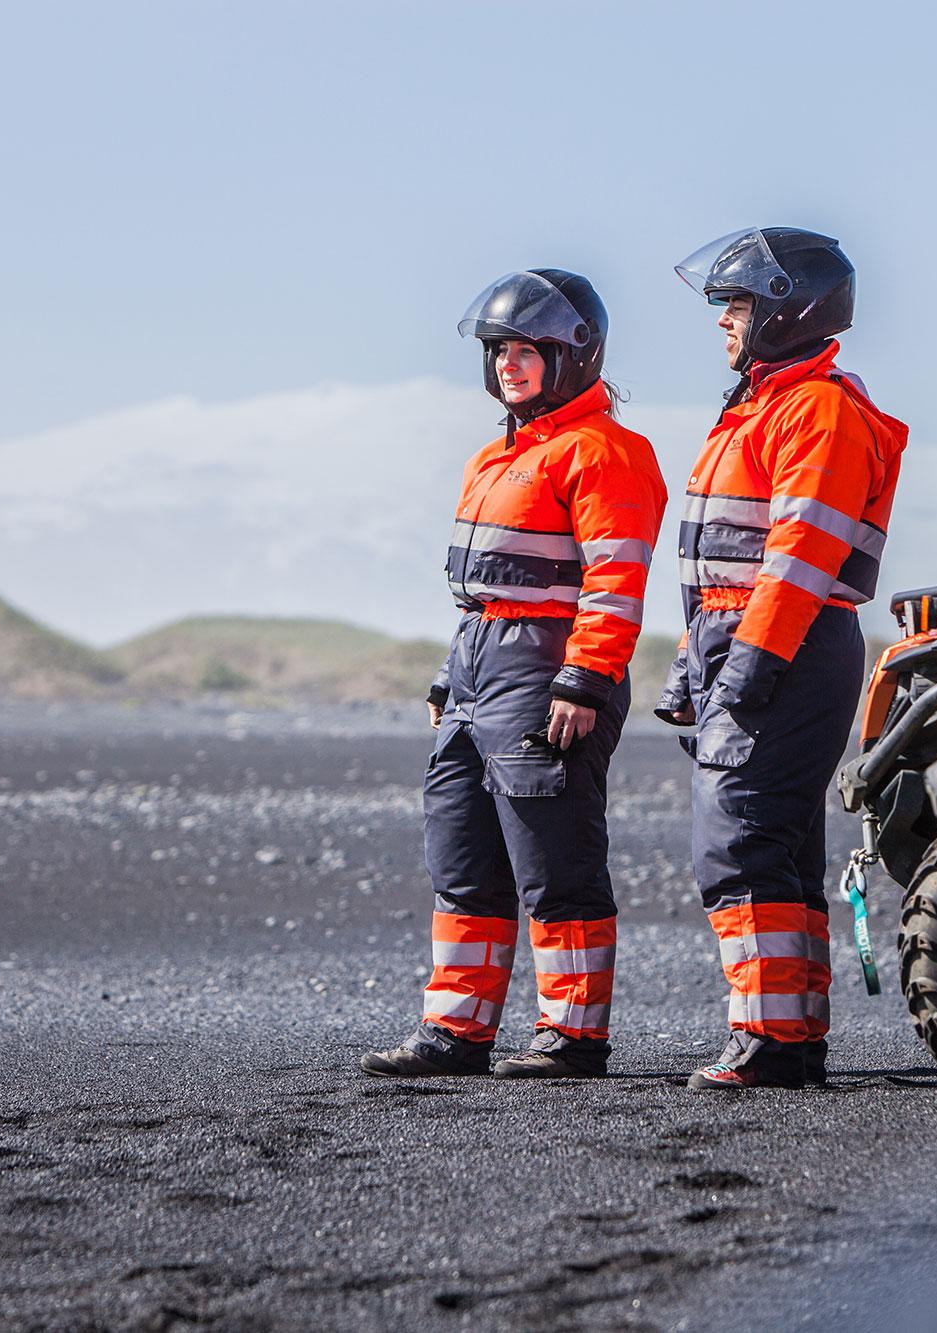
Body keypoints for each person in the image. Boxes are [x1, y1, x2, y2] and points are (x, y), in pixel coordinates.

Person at [362, 269, 667, 1080]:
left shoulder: (608, 453)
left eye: (526, 350)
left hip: (547, 667)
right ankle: (455, 1032)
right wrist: (445, 675)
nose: (508, 365)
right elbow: (485, 588)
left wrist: (587, 679)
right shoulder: (493, 457)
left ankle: (572, 1036)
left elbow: (615, 577)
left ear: (572, 354)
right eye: (499, 351)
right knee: (462, 857)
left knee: (554, 858)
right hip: (477, 668)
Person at [658, 227, 909, 1089]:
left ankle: (769, 1039)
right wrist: (690, 662)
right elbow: (717, 563)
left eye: (735, 303)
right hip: (752, 638)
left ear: (783, 307)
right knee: (779, 842)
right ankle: (789, 1034)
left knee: (739, 839)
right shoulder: (764, 404)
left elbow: (798, 554)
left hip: (787, 642)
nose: (724, 320)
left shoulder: (816, 408)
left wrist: (752, 664)